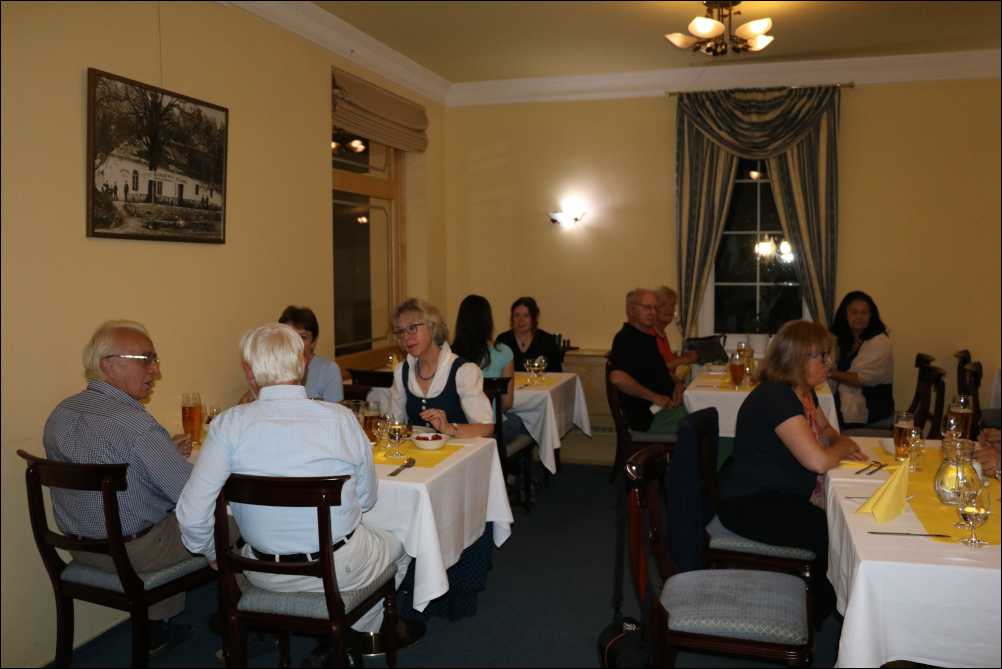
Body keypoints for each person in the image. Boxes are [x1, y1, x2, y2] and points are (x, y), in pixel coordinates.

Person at [176, 323, 410, 639]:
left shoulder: (227, 425)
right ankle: (358, 633)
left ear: (249, 373)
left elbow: (191, 515)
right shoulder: (340, 419)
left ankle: (337, 630)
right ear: (302, 364)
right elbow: (367, 500)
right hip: (340, 568)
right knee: (404, 543)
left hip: (263, 572)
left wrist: (213, 553)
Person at [43, 320, 195, 649]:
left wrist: (162, 451)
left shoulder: (61, 414)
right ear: (108, 365)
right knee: (231, 521)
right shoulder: (135, 424)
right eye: (146, 359)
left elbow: (110, 465)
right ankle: (245, 625)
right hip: (137, 553)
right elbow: (189, 495)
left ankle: (157, 628)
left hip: (82, 549)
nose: (156, 370)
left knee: (160, 519)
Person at [717, 320, 867, 620]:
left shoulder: (804, 393)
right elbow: (819, 461)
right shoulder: (777, 398)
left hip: (778, 494)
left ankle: (833, 601)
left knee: (843, 519)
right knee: (833, 529)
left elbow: (828, 433)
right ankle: (824, 612)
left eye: (828, 355)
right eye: (821, 356)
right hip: (750, 504)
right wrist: (845, 446)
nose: (829, 363)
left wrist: (839, 443)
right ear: (795, 359)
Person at [389, 298, 494, 438]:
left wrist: (449, 428)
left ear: (432, 327)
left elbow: (486, 428)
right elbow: (394, 423)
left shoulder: (462, 371)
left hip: (458, 450)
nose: (406, 337)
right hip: (415, 451)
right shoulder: (402, 372)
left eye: (412, 328)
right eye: (401, 332)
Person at [451, 294, 529, 444]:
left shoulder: (449, 355)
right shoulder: (503, 352)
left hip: (458, 425)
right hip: (490, 426)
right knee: (518, 421)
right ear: (488, 322)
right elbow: (507, 403)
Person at [609, 289, 687, 434]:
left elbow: (660, 371)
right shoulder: (626, 338)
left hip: (665, 409)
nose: (652, 312)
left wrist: (677, 384)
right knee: (707, 421)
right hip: (649, 418)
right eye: (647, 307)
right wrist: (655, 397)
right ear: (631, 310)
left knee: (708, 413)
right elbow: (617, 378)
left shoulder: (646, 338)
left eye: (655, 308)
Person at [828, 291, 894, 427]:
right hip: (844, 405)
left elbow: (859, 379)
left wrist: (828, 372)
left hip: (872, 413)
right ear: (844, 315)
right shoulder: (842, 339)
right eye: (854, 312)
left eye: (864, 313)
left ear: (871, 316)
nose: (859, 317)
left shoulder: (880, 342)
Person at [279, 305, 343, 402]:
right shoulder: (272, 369)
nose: (296, 343)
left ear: (313, 342)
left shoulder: (328, 370)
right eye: (290, 336)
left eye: (303, 337)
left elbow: (335, 410)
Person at [496, 296, 564, 373]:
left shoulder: (547, 340)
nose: (521, 320)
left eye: (526, 315)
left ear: (534, 318)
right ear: (512, 318)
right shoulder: (503, 340)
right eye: (517, 315)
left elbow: (557, 373)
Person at [652, 285, 698, 373]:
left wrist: (684, 357)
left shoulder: (662, 334)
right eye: (663, 305)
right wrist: (684, 360)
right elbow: (655, 368)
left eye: (672, 305)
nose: (669, 309)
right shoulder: (648, 334)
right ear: (653, 309)